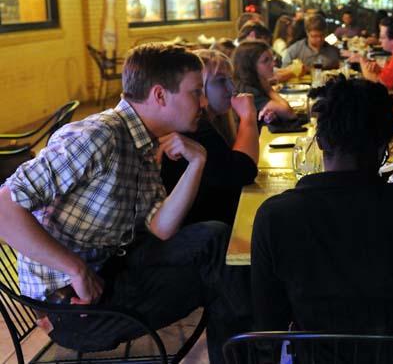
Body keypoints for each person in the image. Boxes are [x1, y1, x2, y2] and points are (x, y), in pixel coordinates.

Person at [0, 43, 251, 362]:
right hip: (73, 310)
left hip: (109, 277)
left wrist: (197, 162)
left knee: (216, 238)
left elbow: (161, 228)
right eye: (194, 92)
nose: (202, 102)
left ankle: (253, 347)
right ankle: (256, 350)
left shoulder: (142, 143)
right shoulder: (99, 136)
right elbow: (4, 206)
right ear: (160, 95)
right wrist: (75, 269)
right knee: (223, 273)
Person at [251, 76, 393, 334]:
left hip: (312, 355)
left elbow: (268, 323)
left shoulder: (273, 215)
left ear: (320, 142)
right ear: (384, 150)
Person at [161, 49, 259, 226]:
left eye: (231, 79)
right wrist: (248, 118)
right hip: (201, 231)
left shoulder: (213, 122)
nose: (232, 89)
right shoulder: (196, 127)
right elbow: (243, 171)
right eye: (221, 81)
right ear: (200, 87)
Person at [233, 40, 297, 124]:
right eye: (266, 60)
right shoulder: (247, 90)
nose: (273, 64)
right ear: (250, 66)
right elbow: (289, 113)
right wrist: (269, 90)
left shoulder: (253, 82)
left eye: (272, 59)